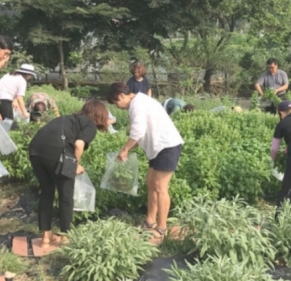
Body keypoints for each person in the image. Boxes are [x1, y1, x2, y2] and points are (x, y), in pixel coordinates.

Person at [29, 98, 109, 247]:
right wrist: (75, 164)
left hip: (35, 150)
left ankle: (46, 236)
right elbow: (79, 144)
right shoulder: (90, 124)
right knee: (66, 195)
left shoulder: (68, 119)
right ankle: (66, 236)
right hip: (56, 153)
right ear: (100, 115)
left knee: (46, 191)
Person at [107, 83, 184, 237]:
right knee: (151, 182)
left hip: (166, 146)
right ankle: (150, 220)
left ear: (122, 96)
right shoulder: (139, 102)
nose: (117, 107)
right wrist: (127, 148)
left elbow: (137, 131)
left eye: (116, 103)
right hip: (158, 148)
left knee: (160, 187)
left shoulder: (138, 104)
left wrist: (125, 149)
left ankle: (162, 227)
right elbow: (140, 132)